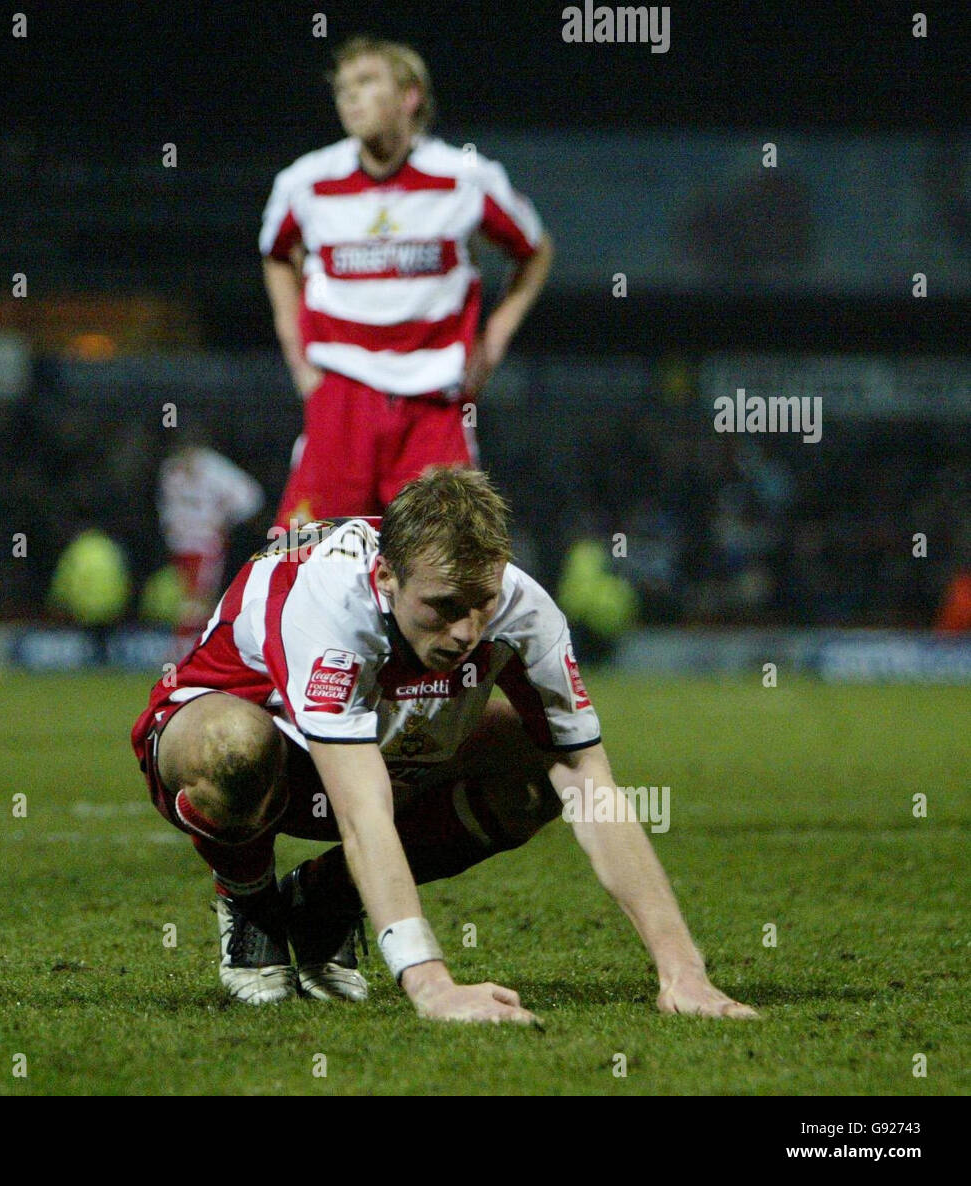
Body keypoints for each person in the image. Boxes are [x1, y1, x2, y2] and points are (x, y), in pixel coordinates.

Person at [131, 468, 758, 1024]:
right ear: (387, 578)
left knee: (538, 768)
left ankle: (322, 902)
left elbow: (589, 781)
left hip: (372, 747)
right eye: (442, 607)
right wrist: (430, 982)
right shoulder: (329, 600)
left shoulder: (520, 608)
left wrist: (683, 972)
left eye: (479, 604)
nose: (465, 631)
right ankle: (252, 904)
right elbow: (361, 809)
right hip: (228, 740)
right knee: (237, 748)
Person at [261, 36, 553, 530]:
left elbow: (534, 250)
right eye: (343, 87)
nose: (349, 97)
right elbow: (275, 254)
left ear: (409, 95)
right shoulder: (305, 181)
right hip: (341, 398)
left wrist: (493, 343)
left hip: (433, 403)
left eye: (367, 82)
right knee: (306, 566)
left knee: (449, 569)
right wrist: (295, 347)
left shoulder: (464, 177)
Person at [157, 435, 264, 653]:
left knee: (197, 598)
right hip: (187, 543)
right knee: (195, 598)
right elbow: (249, 497)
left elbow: (249, 498)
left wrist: (221, 519)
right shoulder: (178, 469)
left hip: (201, 543)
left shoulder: (203, 467)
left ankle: (187, 650)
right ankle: (187, 651)